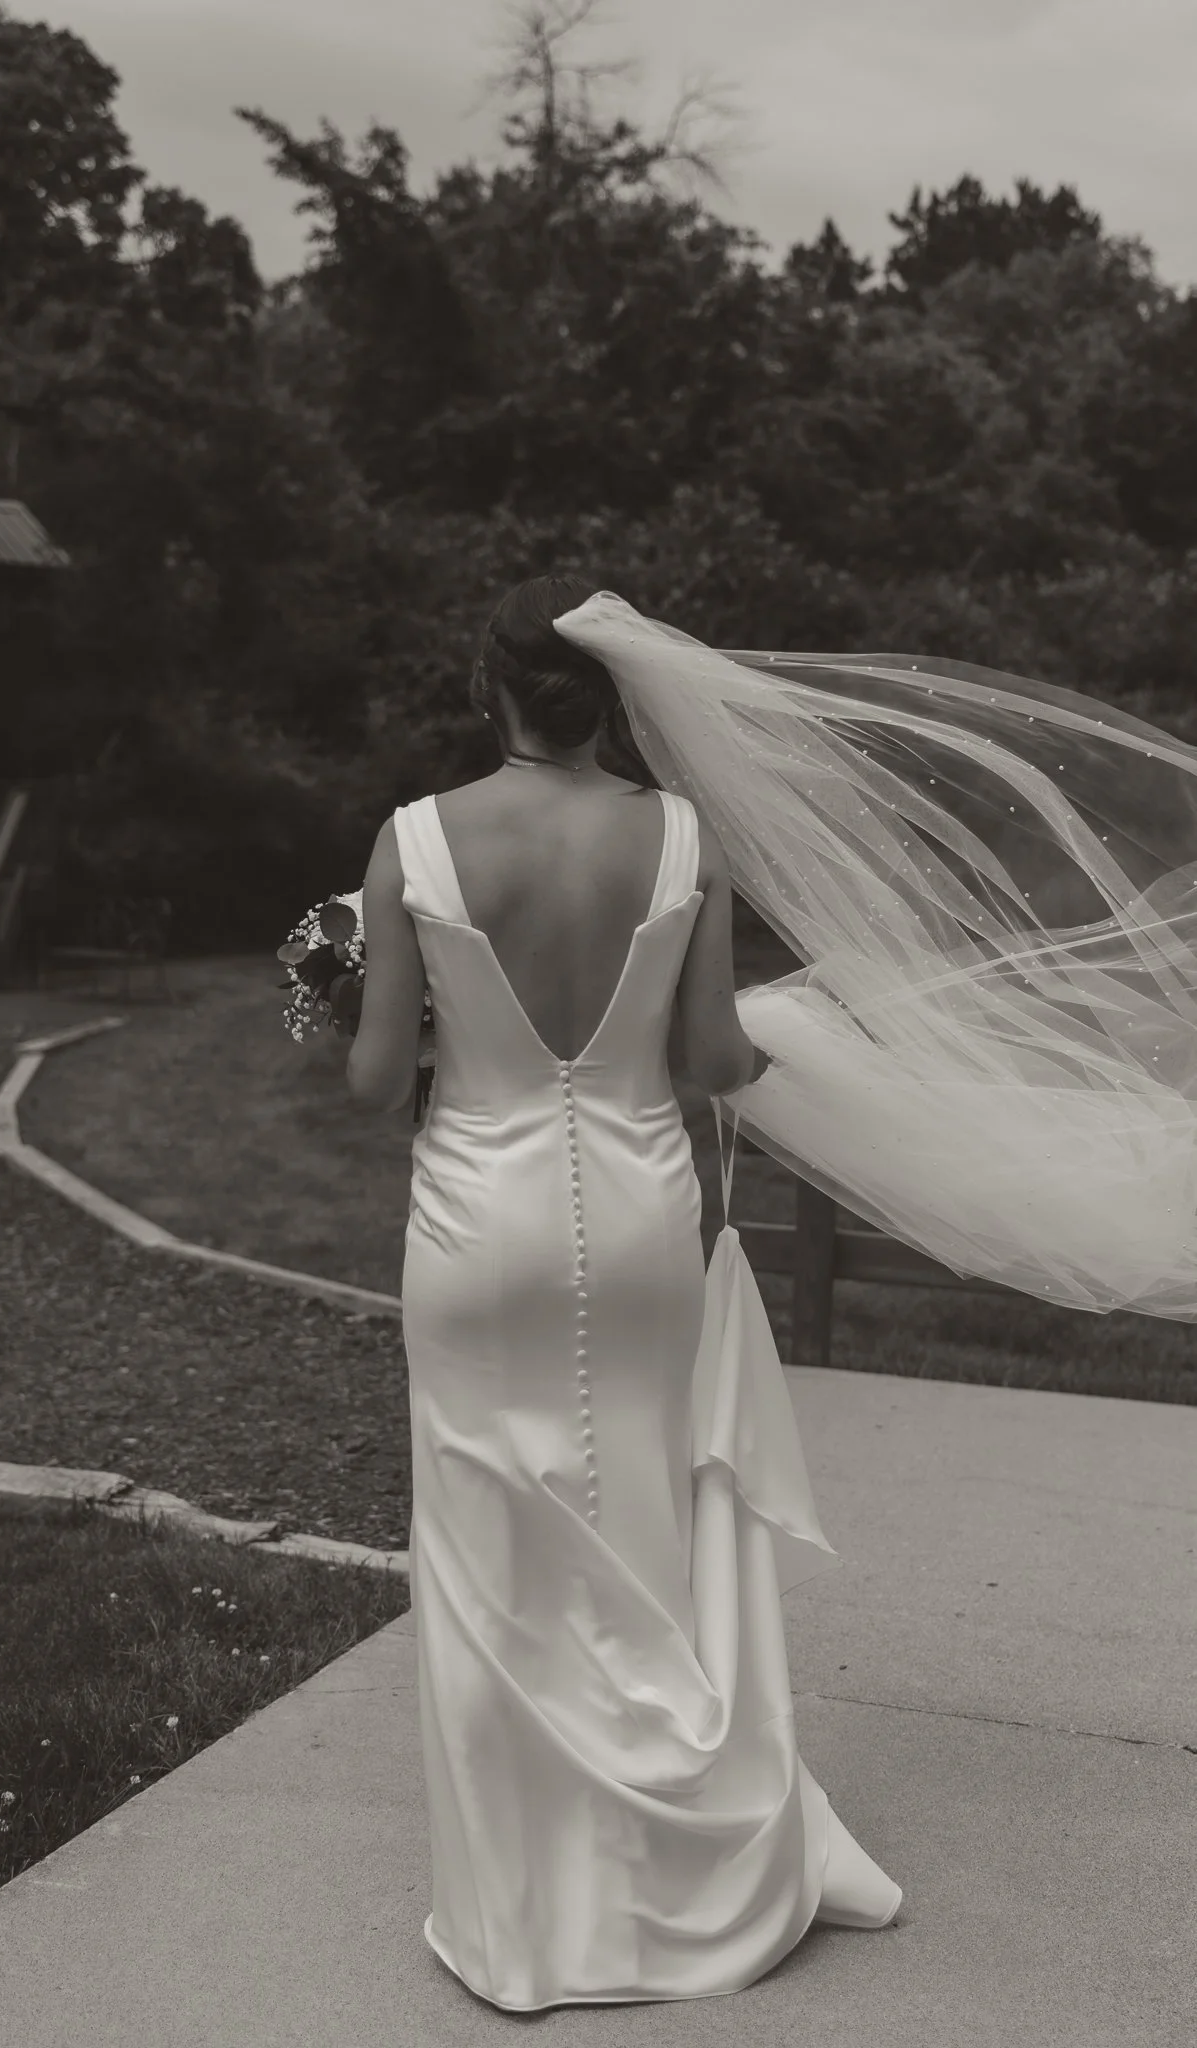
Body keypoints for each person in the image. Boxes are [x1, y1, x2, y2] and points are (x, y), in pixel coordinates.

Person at [344, 573, 900, 2012]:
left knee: (485, 1563)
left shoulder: (413, 843)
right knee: (642, 1527)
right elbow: (712, 1062)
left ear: (489, 688)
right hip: (645, 1221)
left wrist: (321, 981)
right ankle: (674, 1875)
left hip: (478, 1225)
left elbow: (363, 1082)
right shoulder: (682, 838)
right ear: (611, 697)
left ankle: (527, 1927)